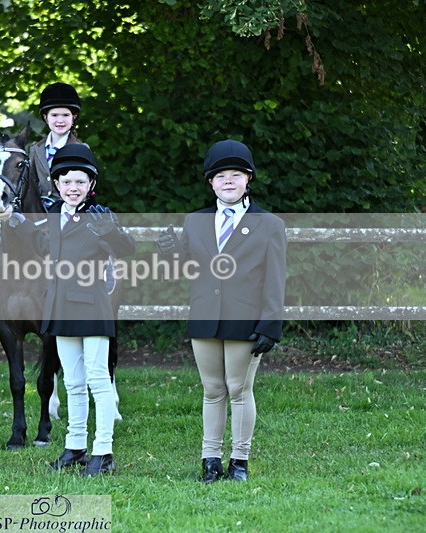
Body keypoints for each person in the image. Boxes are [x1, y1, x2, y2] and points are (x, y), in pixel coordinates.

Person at [156, 139, 286, 483]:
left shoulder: (270, 224)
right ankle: (210, 459)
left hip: (246, 318)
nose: (228, 181)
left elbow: (275, 279)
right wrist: (170, 253)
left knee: (239, 389)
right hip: (205, 316)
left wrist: (271, 323)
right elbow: (186, 271)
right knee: (212, 389)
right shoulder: (196, 221)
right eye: (221, 176)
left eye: (236, 175)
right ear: (210, 182)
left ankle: (239, 461)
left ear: (249, 180)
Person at [2, 144, 135, 476]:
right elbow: (33, 236)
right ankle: (75, 447)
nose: (73, 188)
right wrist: (12, 219)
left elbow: (127, 249)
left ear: (91, 185)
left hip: (91, 308)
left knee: (97, 381)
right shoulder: (52, 215)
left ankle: (102, 452)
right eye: (66, 182)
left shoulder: (99, 216)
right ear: (57, 185)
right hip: (60, 307)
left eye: (80, 182)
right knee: (73, 383)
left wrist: (111, 232)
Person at [0, 82, 85, 297]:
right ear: (46, 118)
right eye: (54, 115)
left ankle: (82, 286)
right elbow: (29, 179)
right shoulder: (35, 149)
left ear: (73, 118)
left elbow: (85, 184)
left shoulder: (80, 149)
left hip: (69, 209)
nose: (60, 120)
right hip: (37, 209)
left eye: (65, 115)